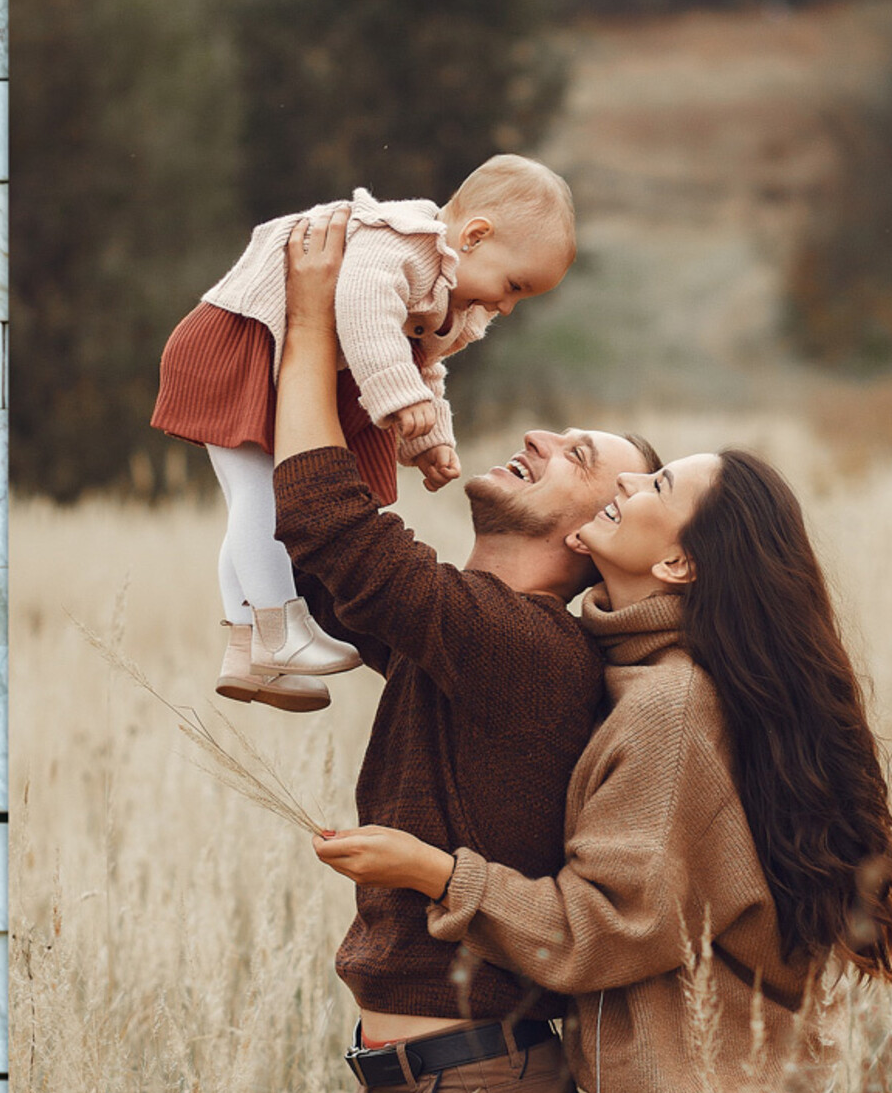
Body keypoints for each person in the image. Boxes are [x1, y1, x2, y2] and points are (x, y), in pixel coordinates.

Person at [314, 438, 892, 1093]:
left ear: (679, 564)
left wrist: (433, 872)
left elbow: (605, 926)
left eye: (651, 488)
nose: (624, 490)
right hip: (724, 1092)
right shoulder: (643, 673)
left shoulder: (668, 705)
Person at [269, 201, 659, 1093]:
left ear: (594, 531)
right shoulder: (477, 632)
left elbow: (338, 536)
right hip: (411, 1084)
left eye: (579, 456)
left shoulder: (527, 652)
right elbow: (342, 578)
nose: (540, 435)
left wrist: (317, 319)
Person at [151, 155, 576, 711]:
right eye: (513, 285)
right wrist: (398, 398)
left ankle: (247, 646)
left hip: (284, 357)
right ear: (474, 236)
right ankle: (280, 628)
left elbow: (425, 366)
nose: (507, 306)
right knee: (262, 495)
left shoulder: (454, 294)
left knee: (249, 497)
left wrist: (428, 438)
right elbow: (362, 310)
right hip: (247, 340)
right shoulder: (400, 243)